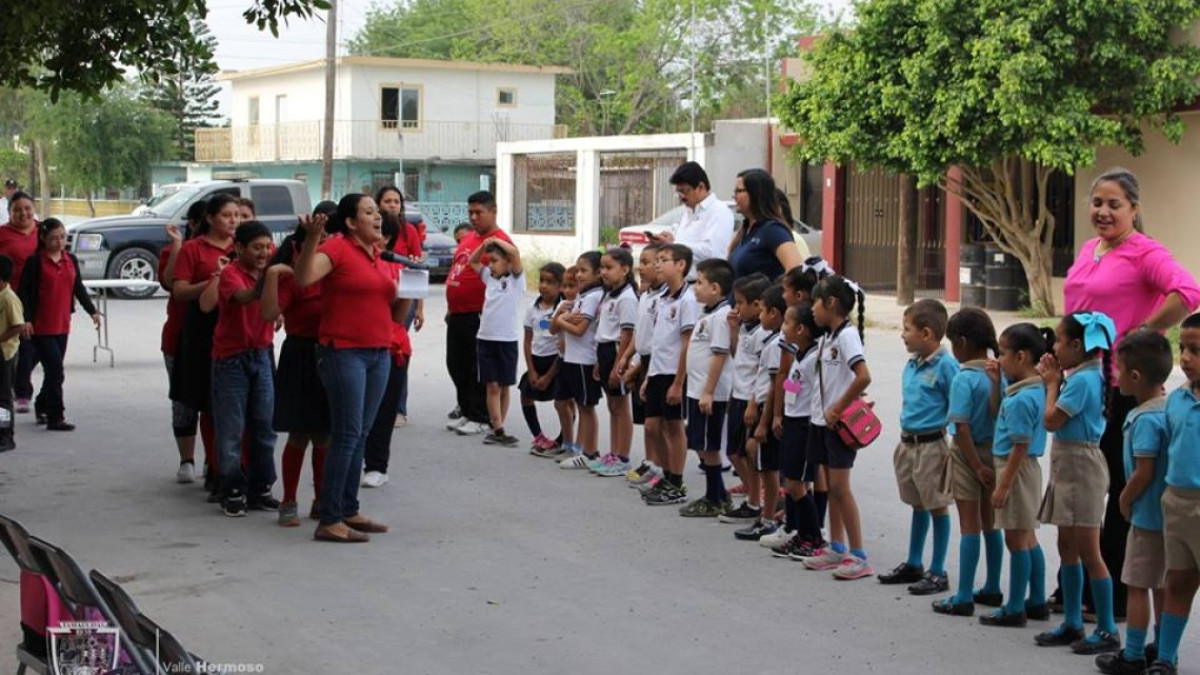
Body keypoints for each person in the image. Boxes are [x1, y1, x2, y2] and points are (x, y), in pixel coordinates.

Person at [1062, 168, 1200, 616]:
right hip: (1083, 384)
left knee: (1121, 488)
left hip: (1121, 388)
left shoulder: (1144, 251)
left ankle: (1115, 595)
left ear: (1134, 209)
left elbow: (1188, 291)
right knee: (1083, 486)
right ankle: (1077, 586)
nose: (1103, 211)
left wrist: (1144, 331)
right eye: (1097, 202)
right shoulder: (1090, 250)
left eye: (1114, 204)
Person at [293, 193, 410, 544]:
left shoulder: (379, 256)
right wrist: (313, 238)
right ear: (350, 222)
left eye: (378, 212)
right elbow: (303, 279)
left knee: (361, 433)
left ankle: (348, 509)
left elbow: (396, 315)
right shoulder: (338, 248)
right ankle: (329, 519)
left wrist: (410, 288)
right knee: (346, 434)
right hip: (344, 353)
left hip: (379, 353)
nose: (378, 217)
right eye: (369, 212)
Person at [1034, 311, 1121, 653]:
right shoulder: (1082, 375)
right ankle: (1072, 622)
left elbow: (1051, 420)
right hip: (1068, 464)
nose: (1054, 347)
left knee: (1089, 550)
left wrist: (1051, 384)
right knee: (1067, 546)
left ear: (1076, 345)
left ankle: (1107, 628)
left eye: (1058, 340)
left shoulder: (1083, 380)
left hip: (1082, 467)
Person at [1094, 331, 1172, 674]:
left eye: (1119, 370)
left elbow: (1143, 471)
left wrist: (1124, 500)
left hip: (1145, 516)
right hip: (1167, 515)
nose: (1115, 376)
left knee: (1137, 586)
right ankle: (1164, 647)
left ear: (1135, 377)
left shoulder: (1143, 420)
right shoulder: (1169, 409)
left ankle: (1134, 653)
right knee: (1162, 584)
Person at [261, 201, 338, 526]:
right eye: (323, 235)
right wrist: (272, 276)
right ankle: (289, 500)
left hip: (333, 352)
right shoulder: (293, 269)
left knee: (326, 435)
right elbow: (269, 312)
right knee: (299, 434)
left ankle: (321, 500)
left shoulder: (337, 264)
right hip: (302, 354)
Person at [880, 299, 959, 596]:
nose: (902, 334)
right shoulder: (912, 363)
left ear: (926, 334)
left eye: (907, 329)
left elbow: (957, 405)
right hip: (908, 443)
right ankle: (914, 561)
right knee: (918, 503)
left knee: (937, 505)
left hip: (931, 445)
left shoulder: (946, 366)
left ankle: (938, 570)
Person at [200, 220, 278, 518]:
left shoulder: (269, 271)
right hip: (231, 359)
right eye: (257, 248)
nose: (263, 253)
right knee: (231, 429)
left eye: (267, 247)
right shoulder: (231, 274)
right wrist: (269, 280)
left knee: (264, 426)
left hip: (262, 354)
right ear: (239, 248)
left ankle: (261, 488)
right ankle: (231, 489)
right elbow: (244, 297)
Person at [933, 307, 1006, 617]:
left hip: (969, 456)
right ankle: (992, 586)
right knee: (991, 524)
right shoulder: (997, 374)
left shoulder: (964, 379)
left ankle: (963, 594)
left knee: (969, 526)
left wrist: (975, 466)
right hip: (994, 452)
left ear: (961, 342)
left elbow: (961, 428)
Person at [799, 275, 874, 580]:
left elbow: (863, 376)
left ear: (831, 303)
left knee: (842, 489)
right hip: (820, 422)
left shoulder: (846, 336)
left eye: (815, 302)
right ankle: (837, 547)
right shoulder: (828, 338)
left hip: (836, 423)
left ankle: (859, 555)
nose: (812, 309)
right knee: (831, 487)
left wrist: (839, 407)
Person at [979, 323, 1053, 628]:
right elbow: (1001, 416)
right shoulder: (1031, 389)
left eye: (1002, 353)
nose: (999, 359)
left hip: (1015, 469)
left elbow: (1019, 446)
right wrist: (996, 384)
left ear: (1021, 356)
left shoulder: (1023, 398)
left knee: (1016, 539)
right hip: (1024, 469)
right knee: (1027, 536)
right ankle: (1036, 600)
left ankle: (1014, 607)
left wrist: (1003, 487)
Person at [171, 194, 238, 498]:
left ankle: (229, 467)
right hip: (202, 331)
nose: (233, 221)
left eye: (237, 215)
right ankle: (212, 465)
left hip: (239, 330)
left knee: (235, 408)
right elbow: (179, 291)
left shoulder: (244, 246)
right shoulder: (193, 249)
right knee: (208, 403)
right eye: (226, 215)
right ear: (210, 218)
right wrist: (214, 281)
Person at [1150, 313, 1200, 675]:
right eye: (1182, 348)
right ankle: (1165, 658)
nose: (1185, 357)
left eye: (1195, 350)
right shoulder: (1177, 400)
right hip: (1176, 503)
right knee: (1178, 581)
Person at [17, 218, 101, 431]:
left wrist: (92, 311)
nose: (59, 242)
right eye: (54, 238)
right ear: (43, 238)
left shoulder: (70, 259)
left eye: (63, 237)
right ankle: (56, 416)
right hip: (41, 326)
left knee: (53, 371)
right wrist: (25, 319)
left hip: (62, 324)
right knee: (56, 371)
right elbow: (24, 293)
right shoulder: (35, 262)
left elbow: (78, 288)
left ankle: (42, 405)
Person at [445, 192, 512, 436]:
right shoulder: (469, 238)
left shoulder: (500, 242)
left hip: (480, 314)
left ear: (493, 211)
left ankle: (482, 416)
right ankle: (466, 410)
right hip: (458, 313)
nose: (473, 217)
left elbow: (507, 280)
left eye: (478, 212)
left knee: (477, 368)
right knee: (457, 364)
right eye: (470, 212)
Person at [360, 207, 418, 487]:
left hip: (393, 348)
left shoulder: (397, 266)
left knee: (383, 412)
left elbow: (399, 315)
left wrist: (411, 282)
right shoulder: (349, 262)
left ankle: (376, 466)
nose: (379, 238)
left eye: (384, 234)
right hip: (354, 348)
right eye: (374, 230)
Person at [677, 258, 736, 517]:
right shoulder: (708, 313)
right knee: (700, 443)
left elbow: (720, 355)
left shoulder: (722, 316)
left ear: (715, 288)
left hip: (708, 393)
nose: (695, 287)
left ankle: (714, 497)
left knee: (709, 446)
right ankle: (720, 494)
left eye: (699, 283)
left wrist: (709, 391)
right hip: (696, 389)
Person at [640, 244, 697, 506]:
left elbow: (686, 343)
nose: (658, 265)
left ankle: (676, 481)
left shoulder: (687, 300)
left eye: (664, 260)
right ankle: (665, 473)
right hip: (657, 371)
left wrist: (678, 382)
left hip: (674, 373)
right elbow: (658, 341)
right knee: (652, 426)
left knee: (673, 426)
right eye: (658, 260)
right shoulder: (662, 298)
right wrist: (648, 377)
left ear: (681, 265)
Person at [769, 302, 827, 557]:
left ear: (801, 329)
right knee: (792, 483)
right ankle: (802, 535)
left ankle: (814, 538)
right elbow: (794, 386)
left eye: (787, 323)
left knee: (797, 485)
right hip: (792, 421)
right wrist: (781, 414)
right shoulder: (799, 354)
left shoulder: (815, 359)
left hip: (805, 425)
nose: (783, 328)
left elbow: (821, 391)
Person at [160, 200, 209, 483]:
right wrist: (178, 245)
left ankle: (214, 460)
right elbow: (170, 283)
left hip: (214, 338)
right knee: (183, 401)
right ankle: (187, 459)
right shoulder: (176, 251)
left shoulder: (231, 251)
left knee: (215, 403)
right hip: (179, 337)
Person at [718, 274, 770, 525]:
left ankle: (756, 500)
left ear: (757, 305)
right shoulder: (746, 327)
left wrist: (752, 402)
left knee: (748, 453)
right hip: (737, 395)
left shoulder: (764, 334)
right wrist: (733, 330)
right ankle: (754, 496)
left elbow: (762, 372)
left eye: (740, 303)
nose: (737, 308)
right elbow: (737, 355)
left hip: (751, 399)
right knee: (733, 452)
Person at [375, 186, 424, 429]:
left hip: (404, 297)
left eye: (396, 201)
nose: (392, 205)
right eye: (387, 201)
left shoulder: (408, 231)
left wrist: (419, 307)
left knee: (397, 350)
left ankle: (398, 408)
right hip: (379, 297)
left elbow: (417, 267)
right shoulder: (372, 232)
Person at [468, 237, 525, 447]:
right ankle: (497, 427)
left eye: (494, 261)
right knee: (492, 385)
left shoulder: (516, 280)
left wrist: (498, 242)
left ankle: (499, 427)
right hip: (486, 339)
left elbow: (515, 253)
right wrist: (483, 246)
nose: (490, 265)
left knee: (505, 386)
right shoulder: (489, 278)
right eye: (489, 261)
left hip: (507, 340)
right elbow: (473, 262)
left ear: (508, 262)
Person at [589, 247, 638, 477]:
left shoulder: (628, 297)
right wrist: (601, 361)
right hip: (605, 350)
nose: (603, 272)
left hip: (617, 350)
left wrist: (619, 364)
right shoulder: (609, 294)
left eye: (609, 268)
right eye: (602, 268)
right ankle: (613, 452)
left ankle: (623, 457)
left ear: (625, 269)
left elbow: (627, 334)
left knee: (621, 406)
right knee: (612, 406)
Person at [742, 285, 785, 542]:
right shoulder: (771, 341)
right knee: (763, 464)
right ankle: (768, 515)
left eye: (764, 311)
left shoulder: (778, 345)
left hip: (766, 411)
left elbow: (776, 385)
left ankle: (767, 519)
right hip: (761, 406)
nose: (760, 316)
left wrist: (764, 421)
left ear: (775, 314)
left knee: (769, 470)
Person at [553, 252, 604, 468]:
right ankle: (582, 449)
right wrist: (562, 318)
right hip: (572, 358)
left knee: (586, 407)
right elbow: (557, 327)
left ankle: (588, 451)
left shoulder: (593, 296)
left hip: (585, 359)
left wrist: (560, 320)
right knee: (581, 406)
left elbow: (580, 329)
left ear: (598, 273)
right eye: (578, 270)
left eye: (584, 271)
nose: (579, 275)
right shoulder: (583, 296)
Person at [622, 245, 666, 484]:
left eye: (648, 262)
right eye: (642, 261)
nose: (642, 267)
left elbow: (658, 340)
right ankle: (650, 462)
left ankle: (662, 467)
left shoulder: (664, 299)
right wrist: (627, 358)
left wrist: (638, 366)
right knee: (646, 421)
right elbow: (640, 334)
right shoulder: (645, 296)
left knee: (657, 423)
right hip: (642, 360)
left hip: (655, 362)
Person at [0, 191, 40, 413]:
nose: (23, 213)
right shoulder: (3, 234)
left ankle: (17, 382)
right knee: (22, 344)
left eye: (27, 208)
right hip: (12, 299)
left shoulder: (44, 231)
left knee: (41, 345)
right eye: (17, 210)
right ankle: (22, 390)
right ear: (9, 213)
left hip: (41, 298)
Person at [650, 162, 734, 268]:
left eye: (684, 191)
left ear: (700, 187)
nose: (681, 197)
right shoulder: (689, 212)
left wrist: (675, 244)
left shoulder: (719, 211)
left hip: (703, 277)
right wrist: (670, 239)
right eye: (678, 193)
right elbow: (685, 241)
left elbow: (712, 253)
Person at [520, 262, 566, 455]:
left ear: (561, 286)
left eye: (550, 282)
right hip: (536, 361)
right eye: (542, 281)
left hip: (556, 362)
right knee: (526, 396)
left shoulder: (563, 309)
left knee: (563, 403)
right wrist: (531, 371)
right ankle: (539, 436)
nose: (544, 286)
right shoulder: (532, 308)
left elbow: (564, 345)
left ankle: (563, 440)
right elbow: (527, 341)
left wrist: (548, 376)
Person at [727, 169, 804, 281]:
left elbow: (795, 270)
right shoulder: (744, 231)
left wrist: (772, 291)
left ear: (755, 194)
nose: (734, 196)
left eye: (738, 191)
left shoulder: (773, 230)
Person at [0, 254, 24, 452]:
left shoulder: (9, 298)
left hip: (5, 353)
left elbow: (18, 326)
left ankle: (6, 435)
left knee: (3, 398)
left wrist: (1, 338)